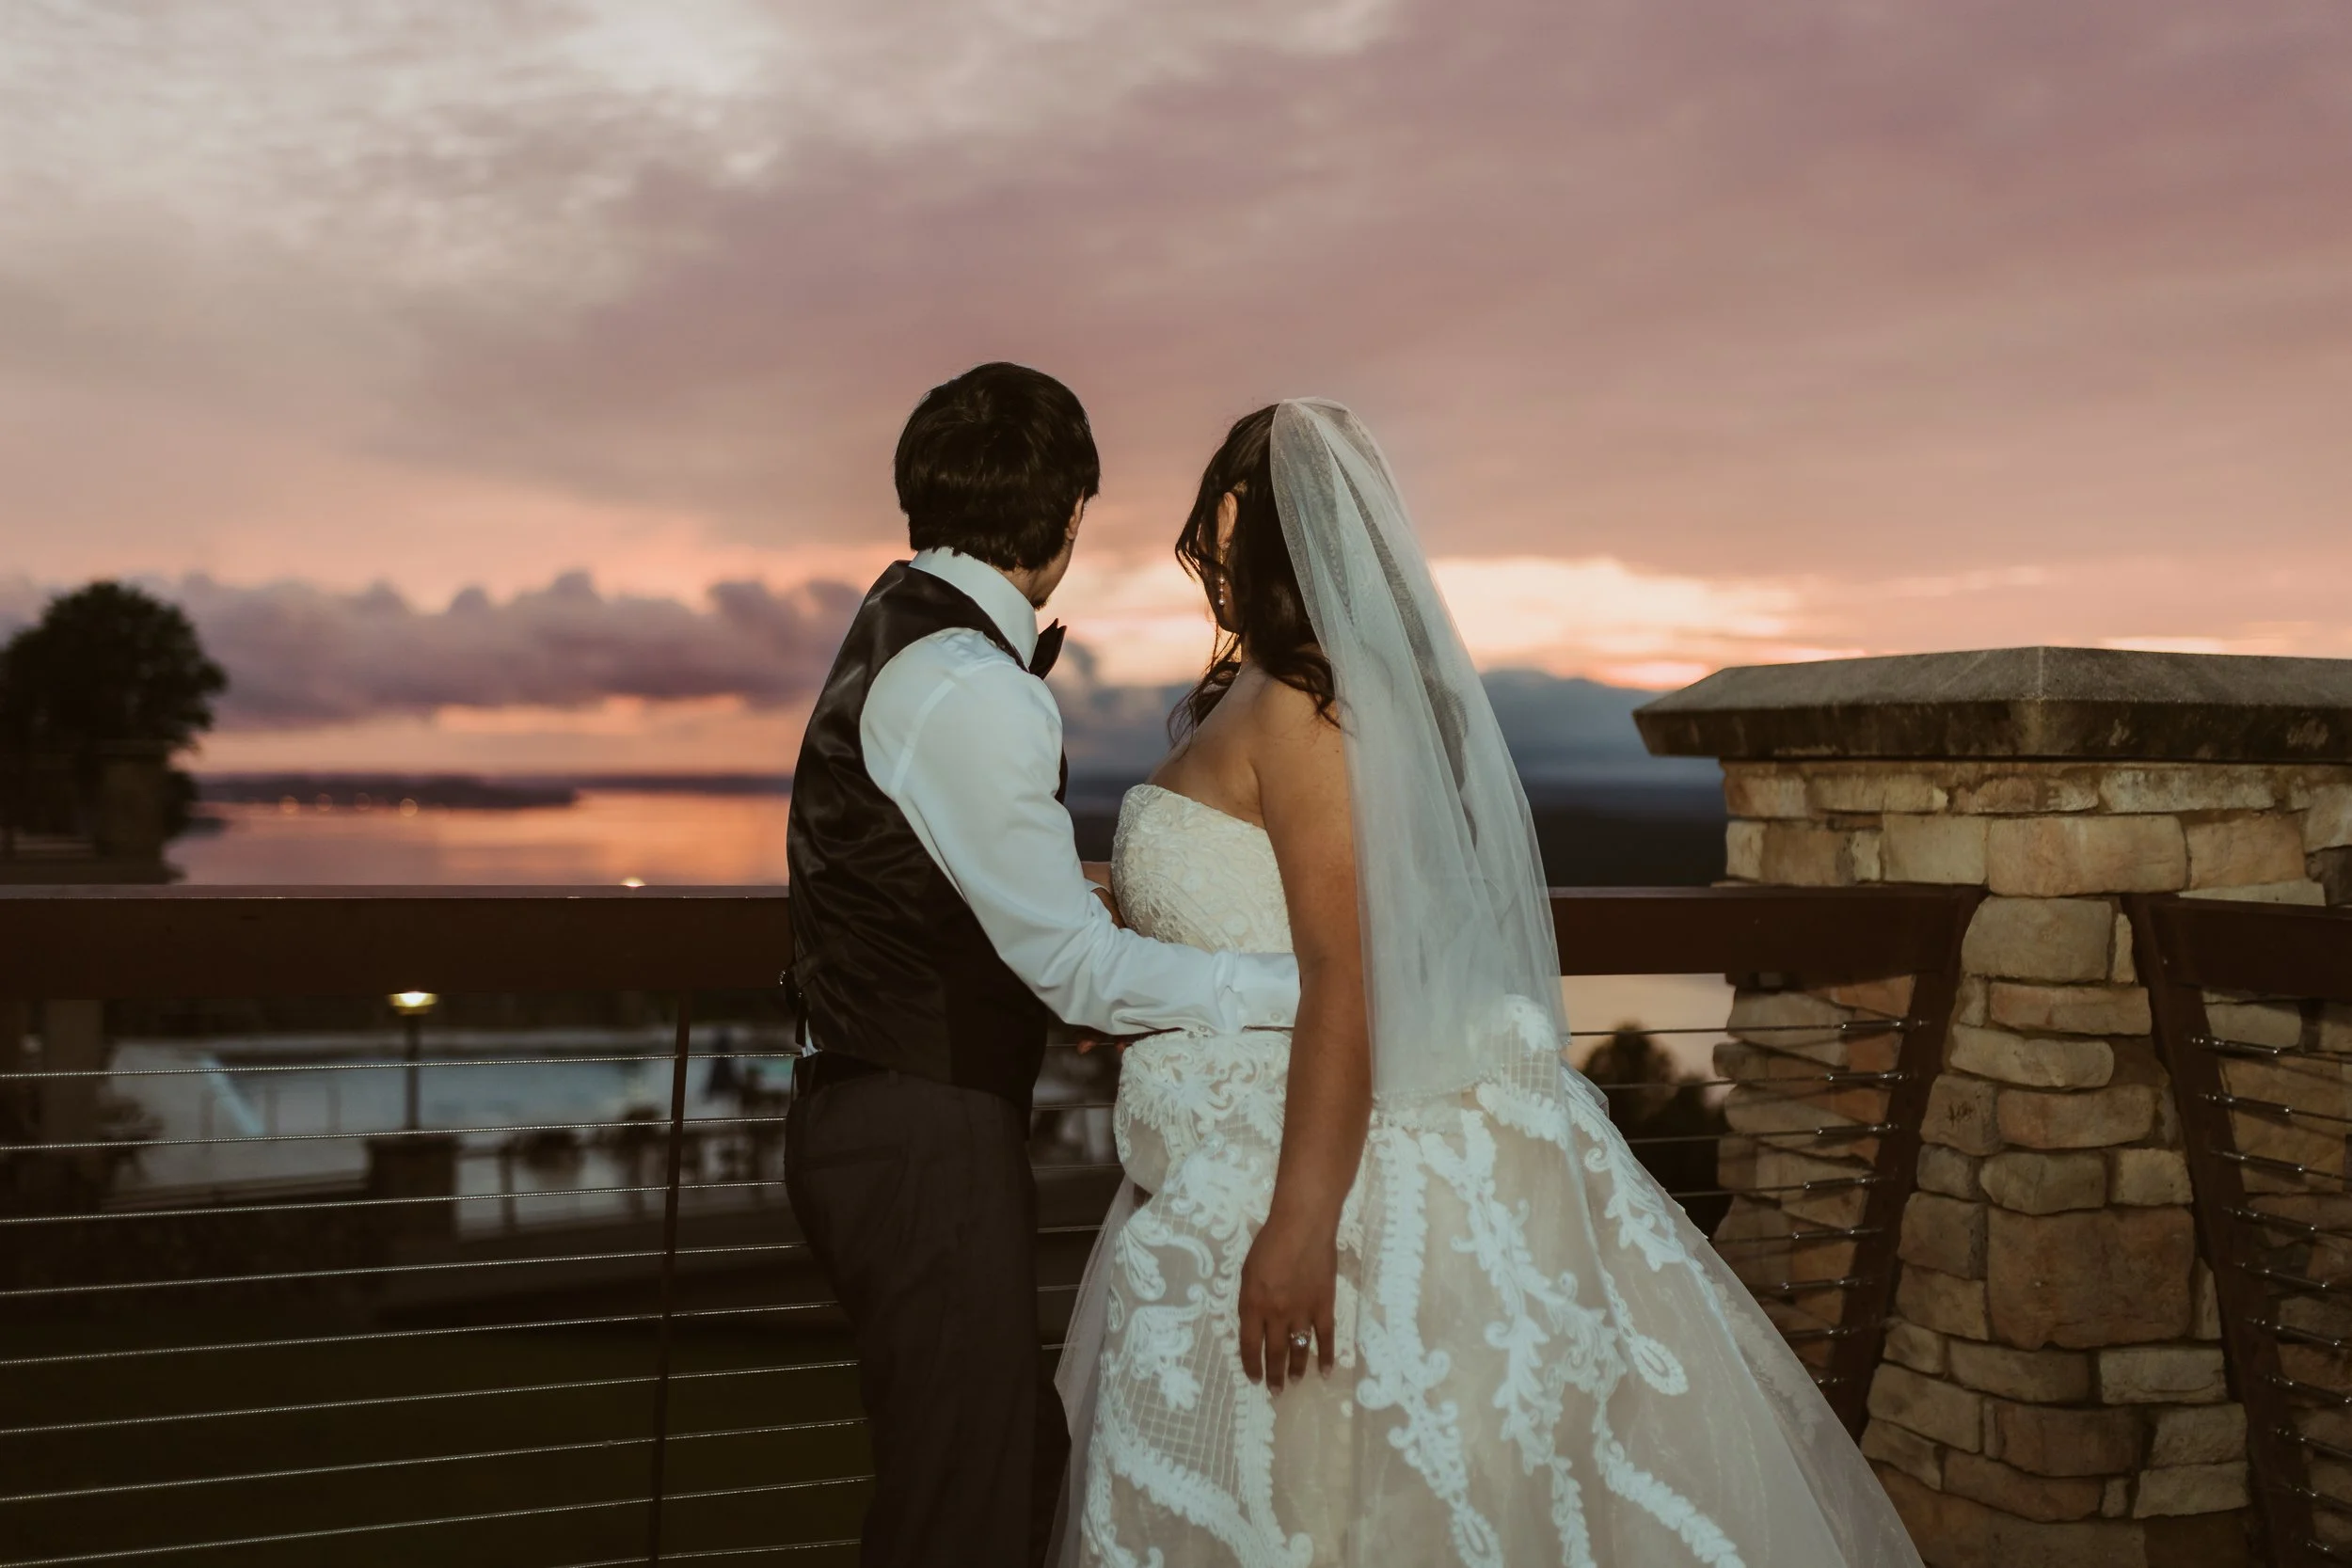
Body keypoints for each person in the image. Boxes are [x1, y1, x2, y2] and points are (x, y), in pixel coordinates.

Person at [1052, 401, 1923, 1566]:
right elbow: (1252, 917)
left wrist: (1301, 1226)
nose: (1208, 549)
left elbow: (1346, 968)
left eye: (1224, 519)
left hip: (1308, 1170)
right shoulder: (1253, 697)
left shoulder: (1309, 710)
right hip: (1208, 1153)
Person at [783, 364, 1302, 1568]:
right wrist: (1287, 985)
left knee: (1003, 1470)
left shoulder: (901, 628)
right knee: (959, 1512)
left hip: (883, 1114)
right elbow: (1073, 973)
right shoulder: (971, 684)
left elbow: (946, 879)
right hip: (921, 1131)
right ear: (1073, 514)